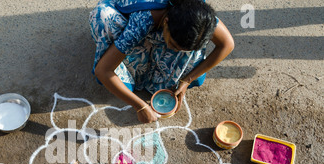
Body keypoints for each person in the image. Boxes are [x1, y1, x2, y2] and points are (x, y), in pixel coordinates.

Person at [89, 0, 234, 123]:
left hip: (160, 27)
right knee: (104, 17)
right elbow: (103, 70)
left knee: (186, 53)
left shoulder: (200, 18)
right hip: (124, 14)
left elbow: (227, 44)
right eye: (173, 45)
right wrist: (139, 106)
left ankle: (166, 48)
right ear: (166, 22)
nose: (175, 51)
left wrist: (188, 79)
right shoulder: (144, 19)